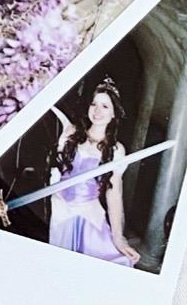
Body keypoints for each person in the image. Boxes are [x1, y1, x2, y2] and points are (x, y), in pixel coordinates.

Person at [48, 80, 141, 265]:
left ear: (114, 113)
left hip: (88, 214)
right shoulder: (70, 133)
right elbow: (55, 168)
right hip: (60, 211)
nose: (97, 111)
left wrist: (118, 236)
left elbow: (114, 193)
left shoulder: (116, 150)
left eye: (105, 106)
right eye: (94, 104)